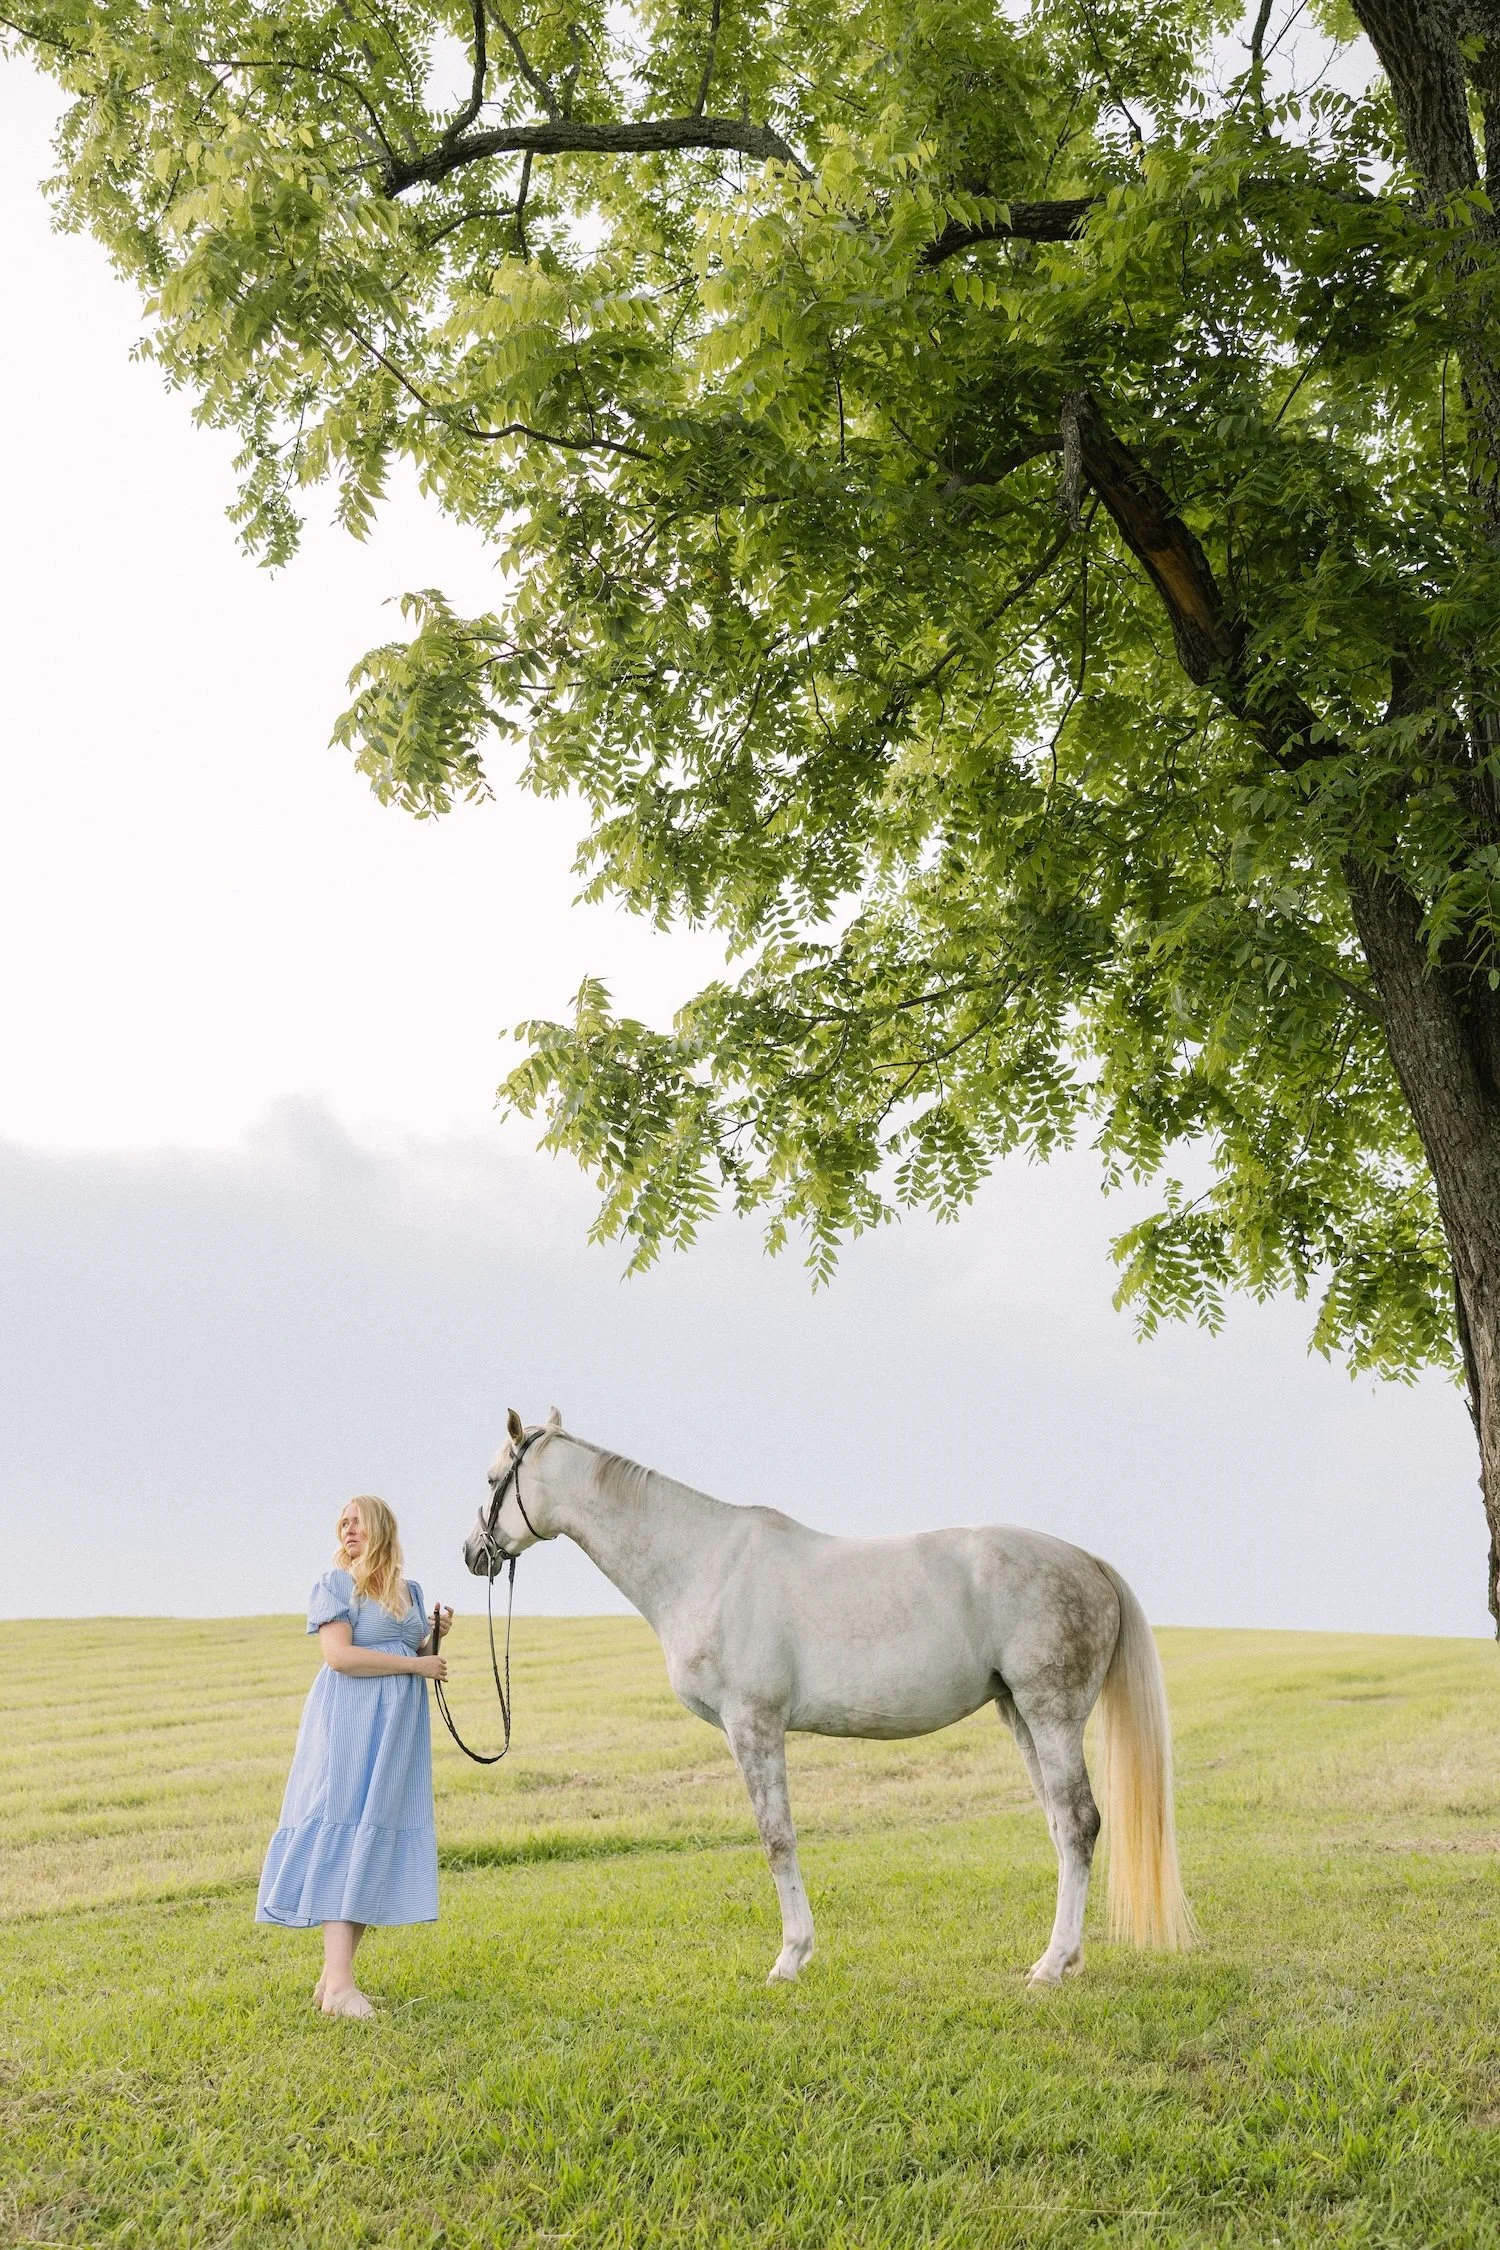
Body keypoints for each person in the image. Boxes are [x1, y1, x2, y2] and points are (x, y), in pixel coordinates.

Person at [256, 1495, 453, 2017]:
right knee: (344, 1835)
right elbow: (339, 1657)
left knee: (372, 1839)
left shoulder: (409, 1591)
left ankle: (331, 1983)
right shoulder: (337, 1584)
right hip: (348, 1725)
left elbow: (410, 1652)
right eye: (342, 1523)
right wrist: (417, 1667)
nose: (347, 1530)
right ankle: (342, 1986)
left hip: (396, 1731)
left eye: (357, 1522)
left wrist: (432, 1638)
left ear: (381, 1528)